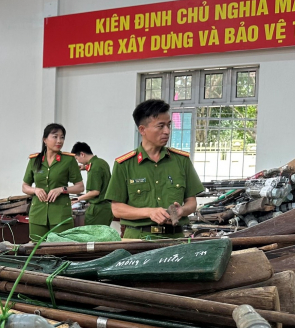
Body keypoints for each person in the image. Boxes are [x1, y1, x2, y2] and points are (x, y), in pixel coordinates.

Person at [104, 100, 204, 239]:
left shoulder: (181, 161)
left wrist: (182, 211)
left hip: (174, 238)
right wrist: (149, 212)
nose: (167, 131)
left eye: (169, 125)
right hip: (137, 239)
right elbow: (117, 209)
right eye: (160, 126)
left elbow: (191, 202)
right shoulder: (124, 164)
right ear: (142, 130)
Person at [21, 123, 84, 240]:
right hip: (38, 213)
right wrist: (35, 190)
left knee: (62, 249)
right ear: (45, 140)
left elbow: (80, 187)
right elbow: (25, 186)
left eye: (62, 137)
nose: (59, 141)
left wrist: (62, 189)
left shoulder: (69, 160)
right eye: (55, 137)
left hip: (60, 214)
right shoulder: (34, 160)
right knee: (37, 249)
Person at [71, 142, 113, 226]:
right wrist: (84, 167)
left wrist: (78, 199)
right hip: (106, 208)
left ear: (82, 154)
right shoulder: (101, 162)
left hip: (97, 209)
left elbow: (95, 192)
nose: (78, 161)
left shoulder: (94, 168)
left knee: (94, 237)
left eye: (77, 158)